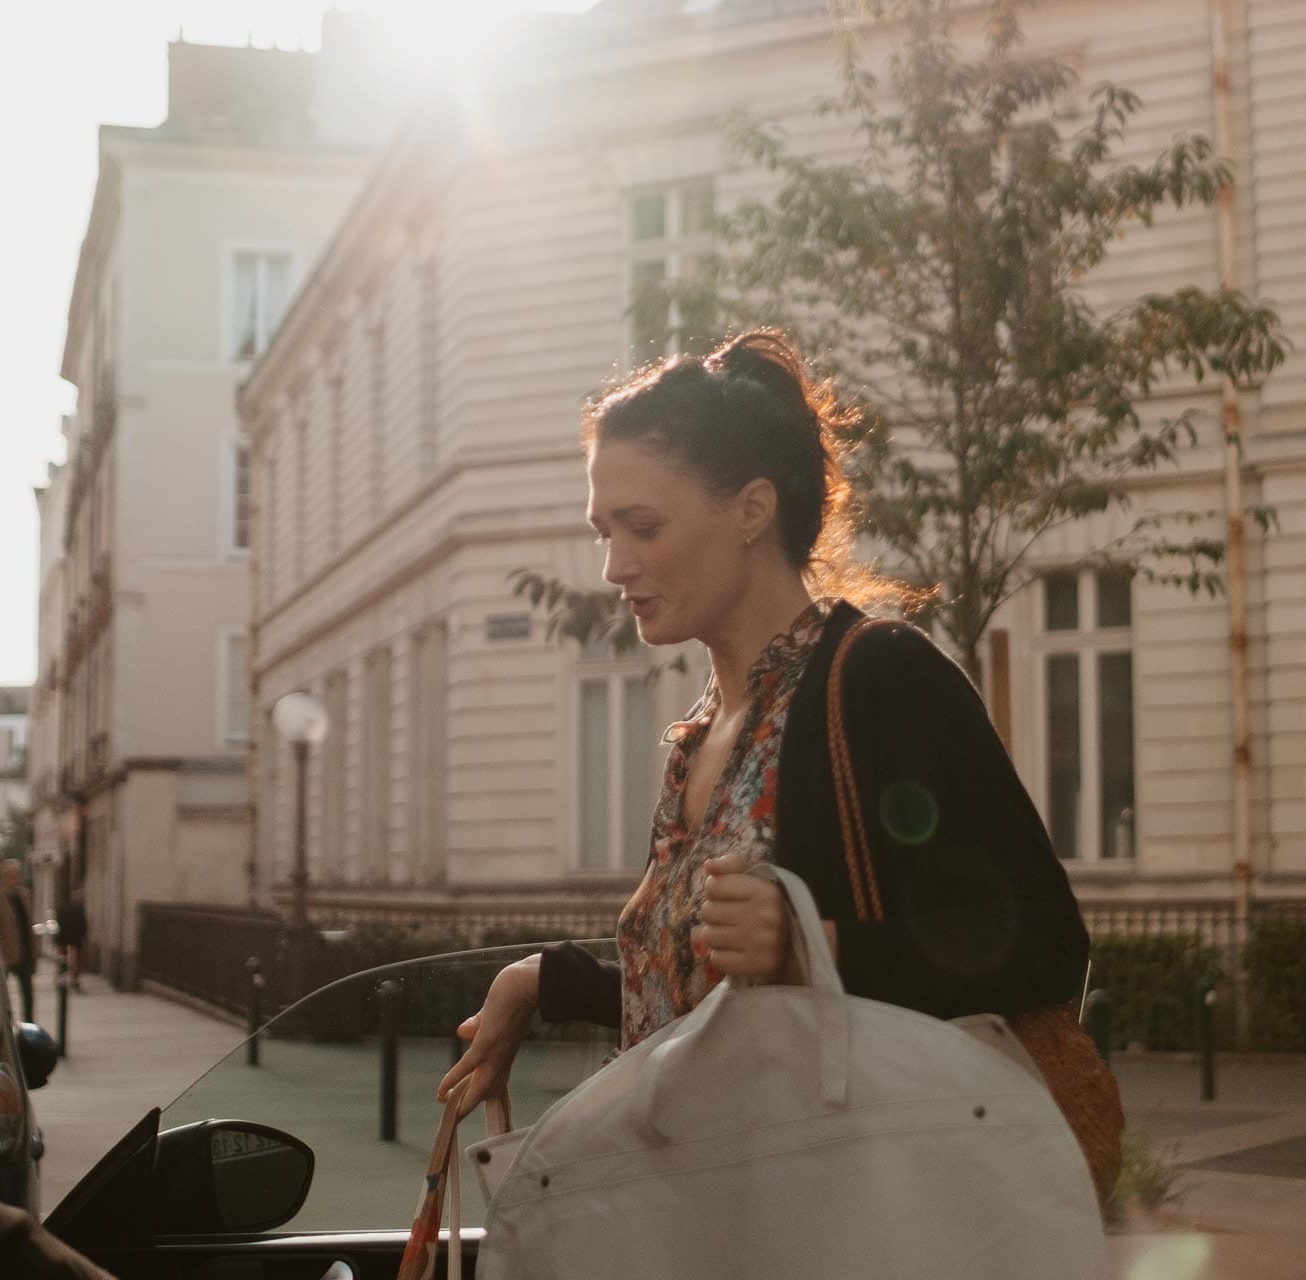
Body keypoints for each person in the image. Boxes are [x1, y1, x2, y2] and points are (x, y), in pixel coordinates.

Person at [438, 328, 1099, 1171]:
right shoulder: (703, 730)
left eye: (641, 526)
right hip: (705, 1212)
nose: (613, 565)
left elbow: (1044, 941)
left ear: (753, 509)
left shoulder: (878, 680)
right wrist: (547, 981)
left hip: (833, 1219)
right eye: (605, 530)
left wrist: (812, 942)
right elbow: (715, 1003)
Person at [0, 859, 37, 1023]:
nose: (16, 878)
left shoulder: (25, 894)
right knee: (1, 996)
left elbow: (29, 926)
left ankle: (29, 1025)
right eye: (12, 875)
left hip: (25, 953)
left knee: (28, 995)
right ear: (4, 876)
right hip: (4, 955)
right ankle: (5, 1024)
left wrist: (35, 952)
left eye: (17, 875)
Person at [56, 891, 90, 993]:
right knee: (76, 960)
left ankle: (62, 979)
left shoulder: (62, 908)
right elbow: (83, 924)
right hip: (76, 938)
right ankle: (74, 980)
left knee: (63, 959)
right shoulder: (79, 909)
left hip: (63, 937)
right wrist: (83, 935)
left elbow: (59, 922)